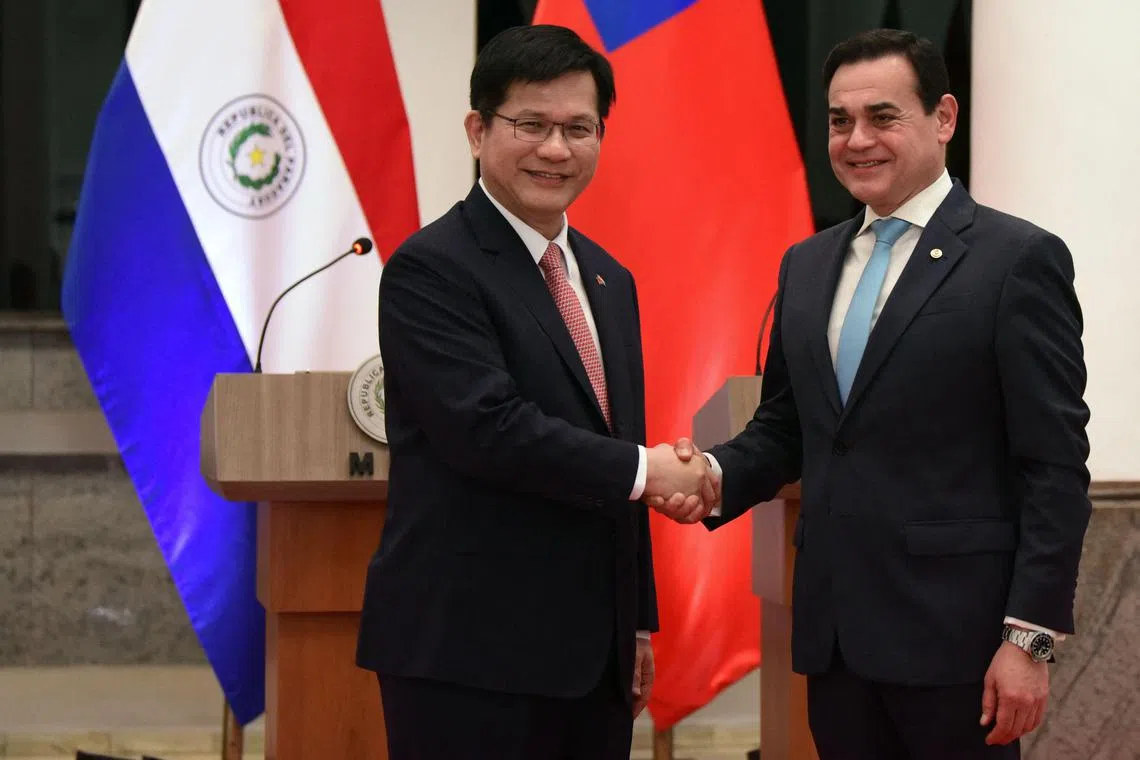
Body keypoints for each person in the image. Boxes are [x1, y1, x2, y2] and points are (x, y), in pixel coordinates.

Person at [652, 28, 1091, 760]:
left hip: (962, 650)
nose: (857, 140)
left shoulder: (1017, 261)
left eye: (882, 117)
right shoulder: (808, 263)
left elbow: (1054, 467)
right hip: (837, 643)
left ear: (943, 118)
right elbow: (790, 426)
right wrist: (713, 476)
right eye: (839, 121)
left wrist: (1030, 639)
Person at [355, 24, 715, 760]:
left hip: (593, 662)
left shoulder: (610, 280)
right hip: (470, 657)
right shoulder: (434, 268)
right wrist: (650, 472)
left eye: (579, 128)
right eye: (532, 125)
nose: (557, 149)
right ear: (478, 130)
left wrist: (636, 622)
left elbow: (615, 442)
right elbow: (489, 430)